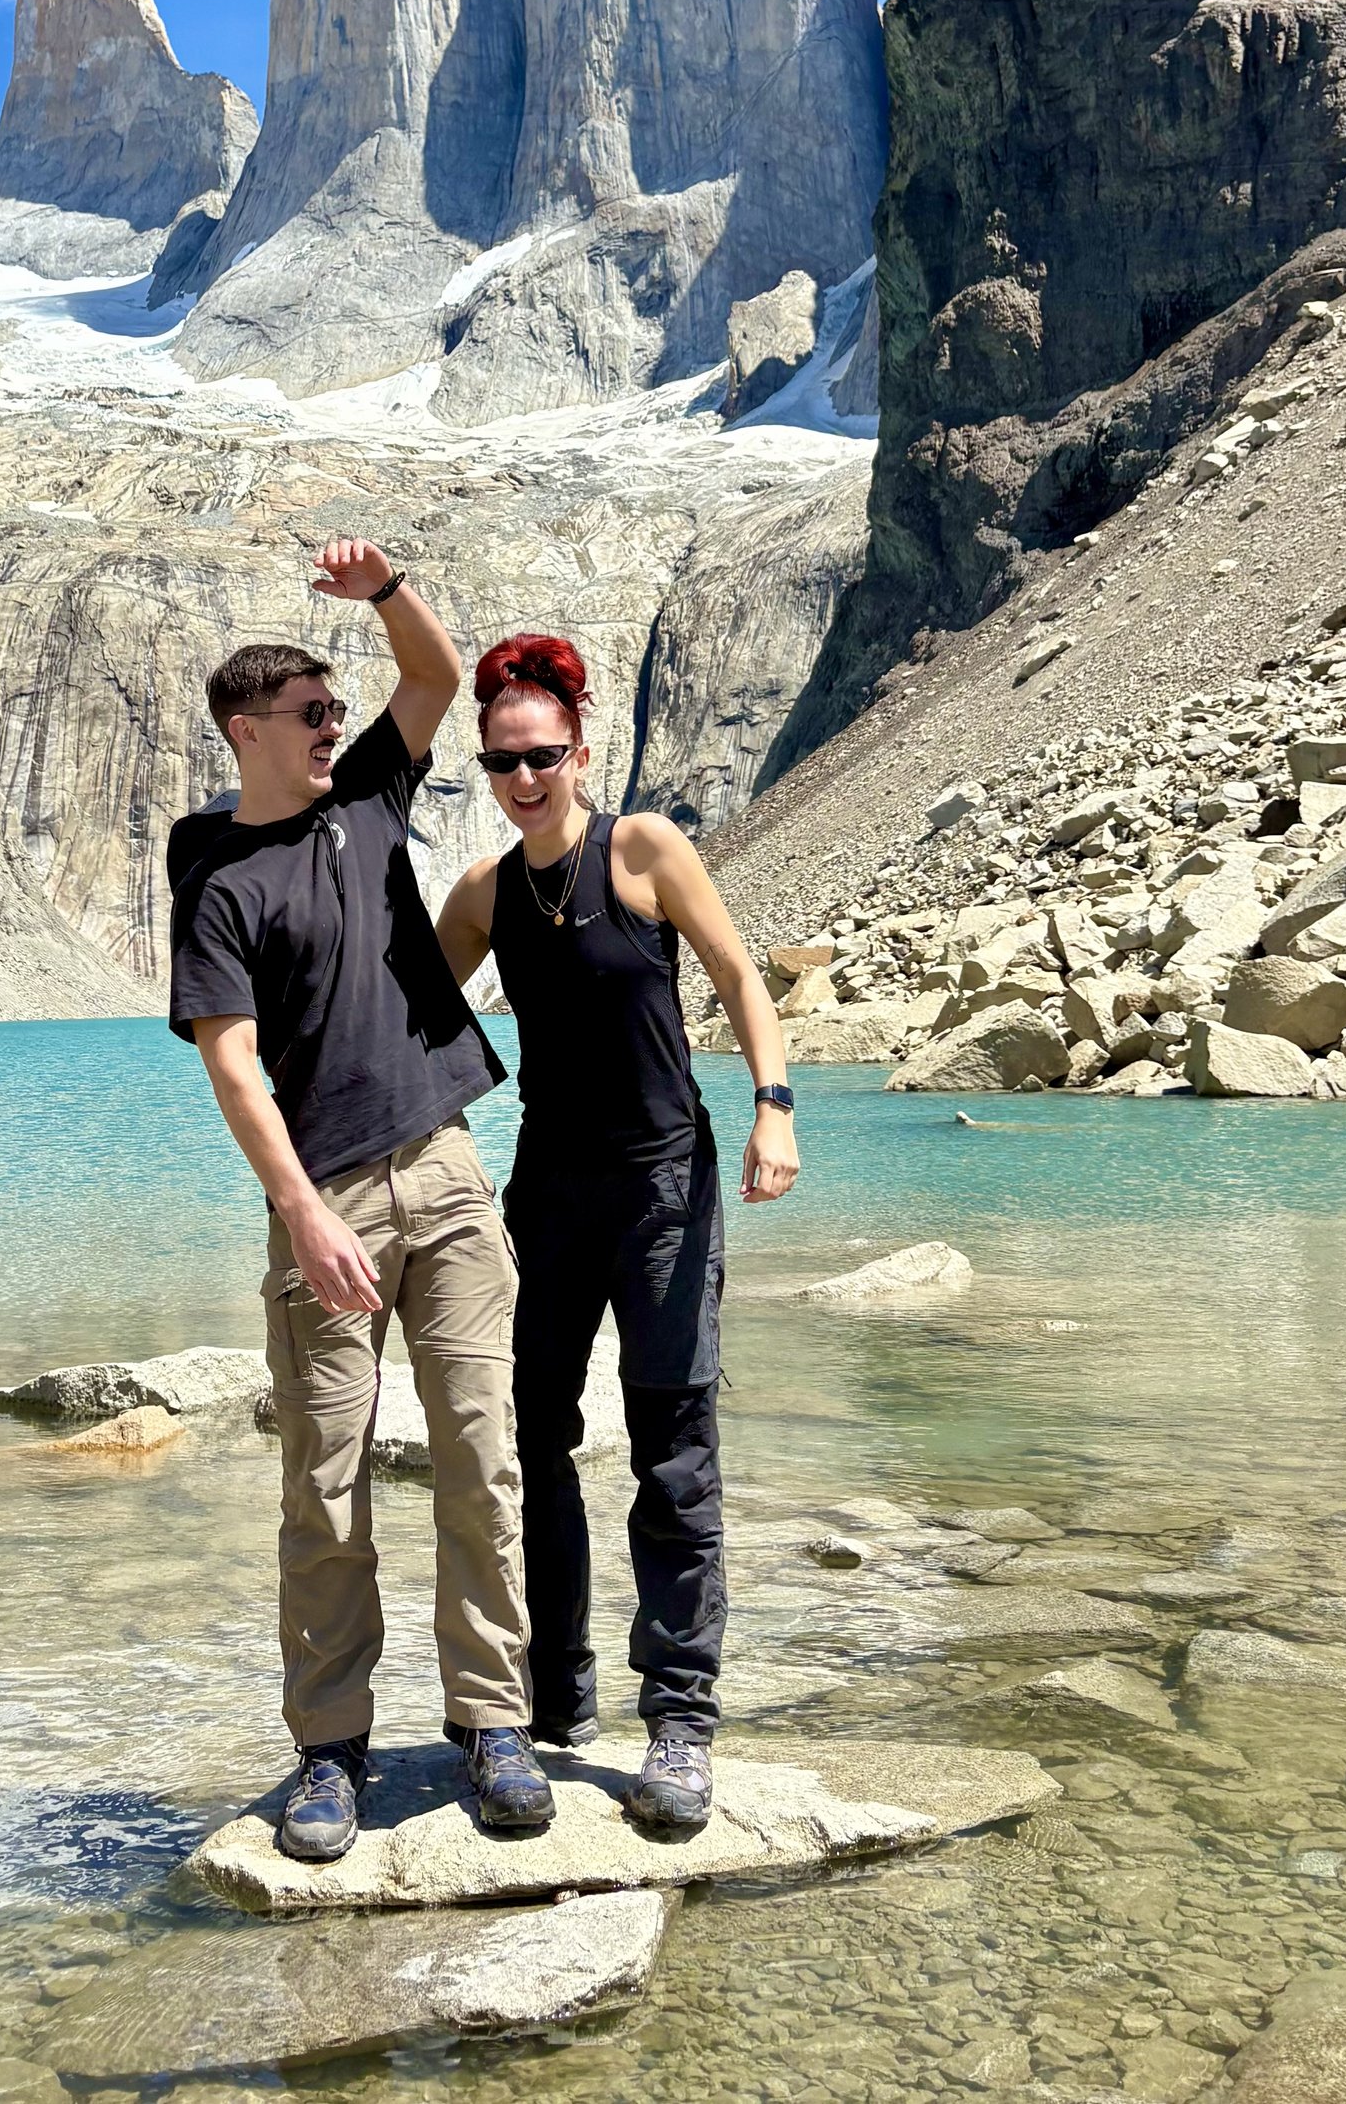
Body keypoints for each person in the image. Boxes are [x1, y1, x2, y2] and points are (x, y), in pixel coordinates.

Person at [167, 538, 556, 1866]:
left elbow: (438, 675)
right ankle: (329, 1754)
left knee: (481, 1455)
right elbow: (231, 1061)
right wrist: (306, 1215)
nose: (338, 726)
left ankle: (492, 1725)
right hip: (322, 1199)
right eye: (312, 715)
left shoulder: (371, 797)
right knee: (326, 1487)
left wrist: (386, 593)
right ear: (246, 728)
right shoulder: (216, 876)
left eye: (341, 710)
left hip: (443, 1168)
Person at [435, 630, 797, 1834]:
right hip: (545, 1193)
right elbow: (411, 1018)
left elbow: (741, 976)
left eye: (539, 756)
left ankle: (681, 1720)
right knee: (530, 1440)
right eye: (499, 763)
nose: (523, 779)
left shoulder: (641, 851)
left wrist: (773, 1111)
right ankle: (556, 1701)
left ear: (579, 753)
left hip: (661, 1186)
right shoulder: (484, 895)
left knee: (671, 1444)